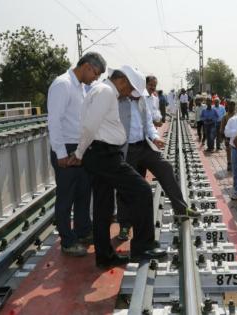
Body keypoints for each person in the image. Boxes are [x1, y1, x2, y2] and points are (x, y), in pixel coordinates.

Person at [69, 65, 167, 268]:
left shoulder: (100, 90)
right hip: (103, 154)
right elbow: (89, 126)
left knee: (103, 207)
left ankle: (104, 257)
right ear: (122, 80)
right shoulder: (105, 92)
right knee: (141, 191)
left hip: (100, 153)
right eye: (128, 89)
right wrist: (79, 153)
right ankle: (143, 246)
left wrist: (82, 153)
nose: (127, 94)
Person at [116, 95, 200, 240]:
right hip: (127, 149)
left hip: (144, 145)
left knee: (165, 168)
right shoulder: (117, 101)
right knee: (126, 186)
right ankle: (125, 225)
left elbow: (148, 124)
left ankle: (180, 208)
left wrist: (155, 137)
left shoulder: (141, 101)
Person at [47, 52, 106, 256]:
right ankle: (67, 240)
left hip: (79, 148)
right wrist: (61, 153)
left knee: (83, 192)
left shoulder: (80, 87)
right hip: (66, 147)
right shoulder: (62, 85)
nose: (95, 78)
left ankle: (82, 231)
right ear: (87, 66)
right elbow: (54, 121)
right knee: (66, 196)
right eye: (95, 74)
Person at [220, 100, 236, 171]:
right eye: (229, 105)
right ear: (227, 106)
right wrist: (224, 138)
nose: (231, 107)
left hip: (236, 138)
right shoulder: (225, 116)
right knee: (229, 151)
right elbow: (222, 128)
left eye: (232, 106)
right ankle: (229, 163)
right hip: (228, 138)